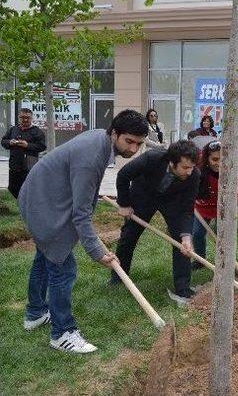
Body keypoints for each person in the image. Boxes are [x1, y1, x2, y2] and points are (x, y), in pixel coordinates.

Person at [19, 109, 148, 353]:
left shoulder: (101, 140)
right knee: (63, 268)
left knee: (44, 257)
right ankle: (62, 333)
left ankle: (35, 313)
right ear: (115, 133)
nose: (133, 149)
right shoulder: (91, 155)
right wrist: (97, 251)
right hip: (42, 204)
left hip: (41, 195)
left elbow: (84, 201)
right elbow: (81, 214)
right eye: (129, 141)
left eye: (139, 144)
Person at [111, 140, 201, 304]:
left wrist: (186, 236)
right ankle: (119, 278)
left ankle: (182, 287)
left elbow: (187, 208)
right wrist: (124, 204)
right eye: (185, 167)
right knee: (129, 236)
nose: (189, 172)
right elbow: (123, 175)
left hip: (172, 202)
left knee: (182, 243)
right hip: (143, 195)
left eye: (192, 167)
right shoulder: (152, 158)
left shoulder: (194, 175)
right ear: (172, 162)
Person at [191, 141, 238, 269]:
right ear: (207, 158)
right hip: (202, 207)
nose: (218, 163)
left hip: (224, 208)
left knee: (224, 236)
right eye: (214, 159)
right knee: (197, 233)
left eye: (222, 159)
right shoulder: (198, 172)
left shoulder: (231, 173)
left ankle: (226, 261)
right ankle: (200, 259)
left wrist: (232, 208)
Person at [1, 108, 46, 198]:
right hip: (14, 166)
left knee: (29, 190)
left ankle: (27, 208)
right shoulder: (13, 129)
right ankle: (18, 208)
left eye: (27, 117)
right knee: (13, 189)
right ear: (19, 117)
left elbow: (42, 146)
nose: (25, 120)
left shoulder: (37, 131)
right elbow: (3, 142)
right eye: (22, 117)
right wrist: (10, 142)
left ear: (31, 118)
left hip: (29, 167)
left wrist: (27, 145)